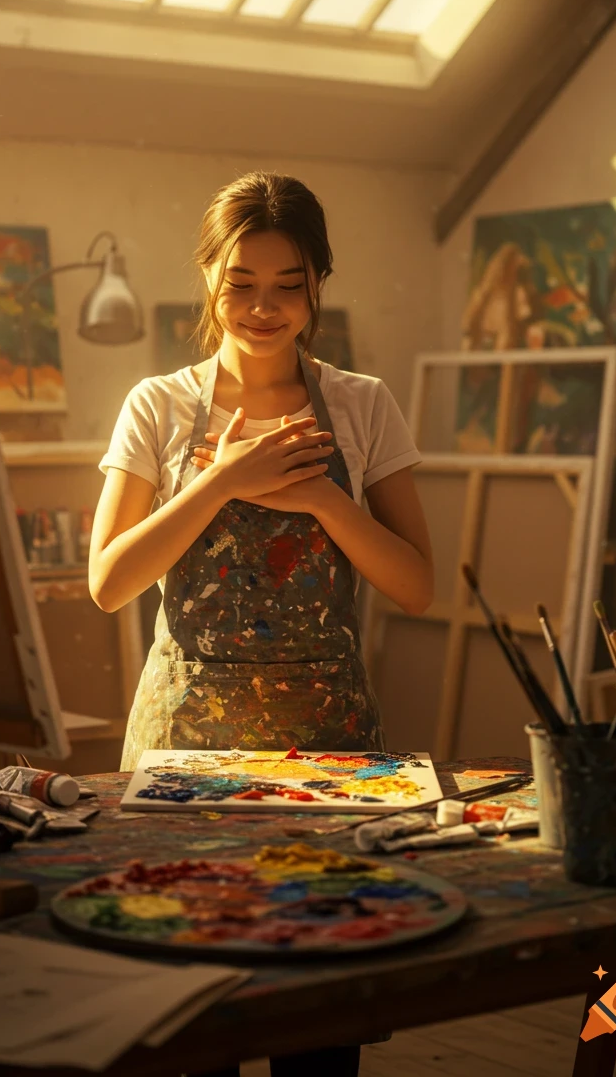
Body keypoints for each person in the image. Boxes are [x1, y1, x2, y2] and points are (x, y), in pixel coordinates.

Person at [90, 171, 434, 1077]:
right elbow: (108, 581)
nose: (263, 306)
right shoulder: (158, 408)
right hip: (181, 755)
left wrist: (323, 499)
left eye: (288, 284)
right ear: (209, 277)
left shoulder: (361, 405)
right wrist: (220, 482)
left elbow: (418, 584)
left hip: (330, 758)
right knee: (188, 1013)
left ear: (319, 283)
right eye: (241, 282)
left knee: (318, 1023)